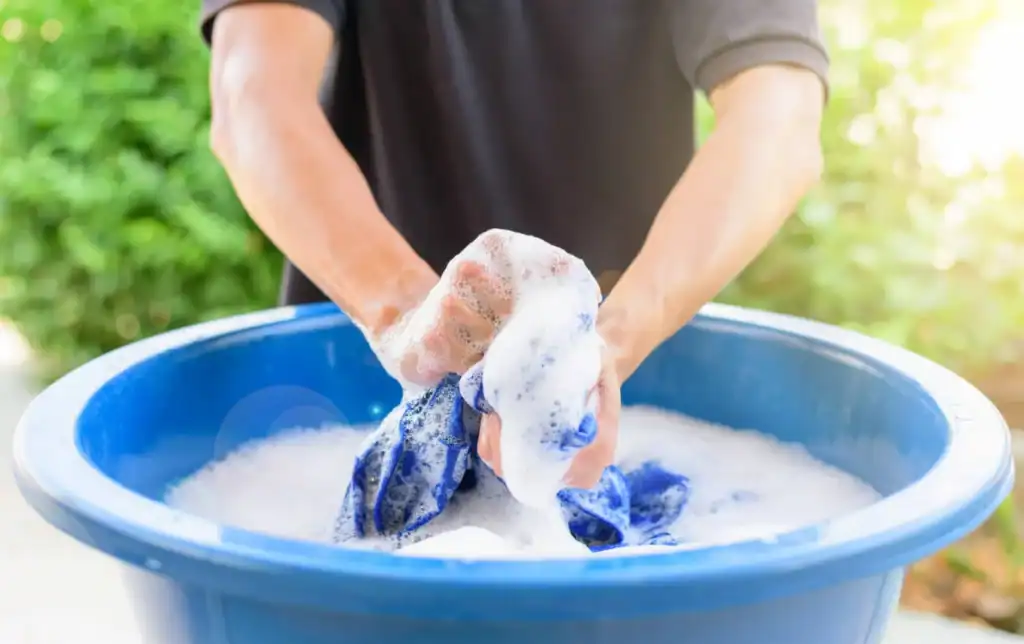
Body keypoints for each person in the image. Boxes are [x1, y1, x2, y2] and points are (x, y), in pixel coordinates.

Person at [201, 0, 826, 490]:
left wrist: (596, 346)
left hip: (620, 413)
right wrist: (408, 315)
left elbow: (777, 117)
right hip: (347, 406)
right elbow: (254, 92)